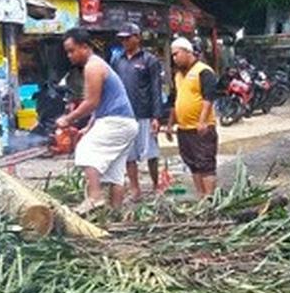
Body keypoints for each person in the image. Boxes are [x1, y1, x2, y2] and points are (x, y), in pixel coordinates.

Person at [56, 28, 139, 214]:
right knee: (116, 172)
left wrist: (67, 119)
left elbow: (91, 102)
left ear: (84, 47)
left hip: (116, 121)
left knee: (85, 149)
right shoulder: (98, 65)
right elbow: (100, 102)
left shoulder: (92, 67)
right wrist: (89, 126)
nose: (69, 56)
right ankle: (115, 213)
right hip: (124, 122)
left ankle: (95, 197)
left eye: (72, 50)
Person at [113, 23, 166, 199]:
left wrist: (157, 116)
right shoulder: (117, 60)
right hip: (125, 114)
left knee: (151, 152)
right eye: (122, 39)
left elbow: (156, 89)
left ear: (137, 37)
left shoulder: (149, 60)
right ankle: (135, 189)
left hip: (145, 112)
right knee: (129, 154)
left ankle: (156, 184)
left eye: (128, 38)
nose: (125, 41)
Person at [169, 37, 219, 197]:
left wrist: (202, 121)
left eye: (176, 54)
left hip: (201, 128)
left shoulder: (203, 71)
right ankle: (201, 196)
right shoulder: (178, 75)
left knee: (205, 163)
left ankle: (209, 197)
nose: (174, 58)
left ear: (187, 51)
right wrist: (171, 124)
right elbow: (175, 100)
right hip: (184, 129)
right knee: (193, 164)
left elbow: (208, 97)